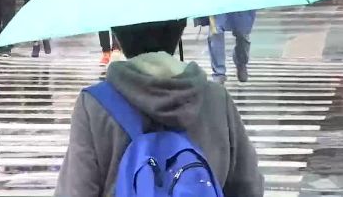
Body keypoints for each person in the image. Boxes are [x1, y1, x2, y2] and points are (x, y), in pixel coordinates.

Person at [55, 18, 264, 197]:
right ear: (180, 27)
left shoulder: (95, 106)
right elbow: (249, 186)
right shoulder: (216, 100)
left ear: (117, 34)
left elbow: (76, 190)